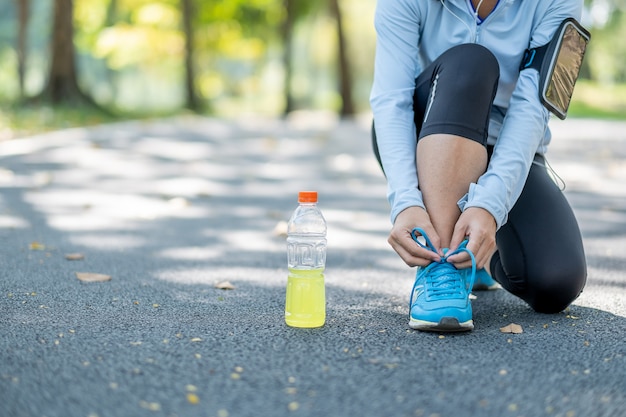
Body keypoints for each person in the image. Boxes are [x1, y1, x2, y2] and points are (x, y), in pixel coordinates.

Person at [369, 0, 588, 332]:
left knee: (555, 281)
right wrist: (406, 203)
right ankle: (444, 265)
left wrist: (490, 205)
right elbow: (391, 101)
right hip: (427, 136)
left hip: (506, 144)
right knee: (471, 62)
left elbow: (533, 108)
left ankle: (478, 248)